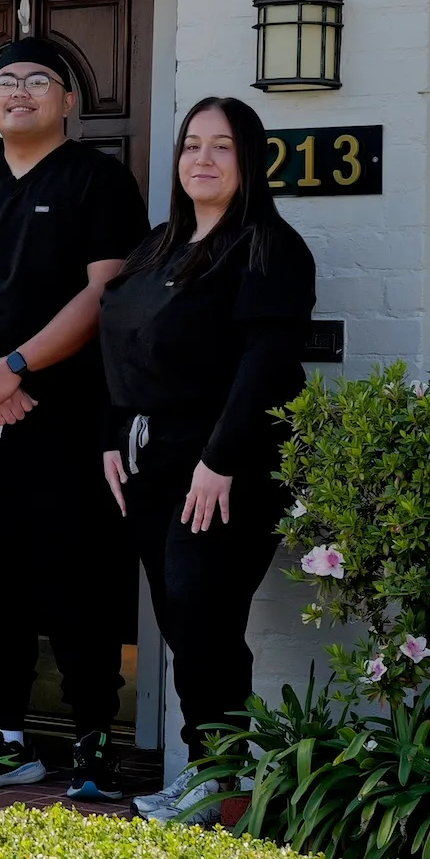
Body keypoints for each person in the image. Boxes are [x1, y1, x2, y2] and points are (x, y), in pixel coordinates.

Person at [0, 36, 147, 791]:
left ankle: (90, 737)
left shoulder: (98, 180)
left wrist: (16, 366)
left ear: (69, 102)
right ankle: (5, 734)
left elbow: (105, 292)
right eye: (4, 81)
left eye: (37, 80)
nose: (17, 91)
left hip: (67, 414)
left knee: (78, 576)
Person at [98, 96, 318, 809]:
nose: (203, 158)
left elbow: (269, 364)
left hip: (225, 466)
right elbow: (119, 348)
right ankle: (218, 778)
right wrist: (111, 434)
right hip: (148, 464)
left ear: (250, 159)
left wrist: (220, 459)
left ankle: (218, 774)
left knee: (203, 613)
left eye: (221, 146)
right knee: (181, 619)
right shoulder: (159, 245)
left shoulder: (268, 248)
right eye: (192, 144)